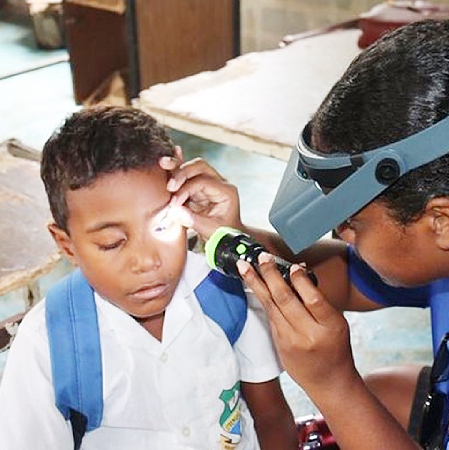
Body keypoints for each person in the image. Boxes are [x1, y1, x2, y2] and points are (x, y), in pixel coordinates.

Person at [162, 19, 449, 449]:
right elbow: (352, 278)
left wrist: (334, 385)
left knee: (362, 403)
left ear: (441, 222)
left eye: (354, 222)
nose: (339, 231)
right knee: (387, 394)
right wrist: (234, 236)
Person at [0, 106, 298, 450]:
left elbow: (272, 417)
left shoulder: (225, 293)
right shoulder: (48, 346)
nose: (147, 261)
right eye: (112, 243)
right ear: (67, 245)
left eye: (163, 225)